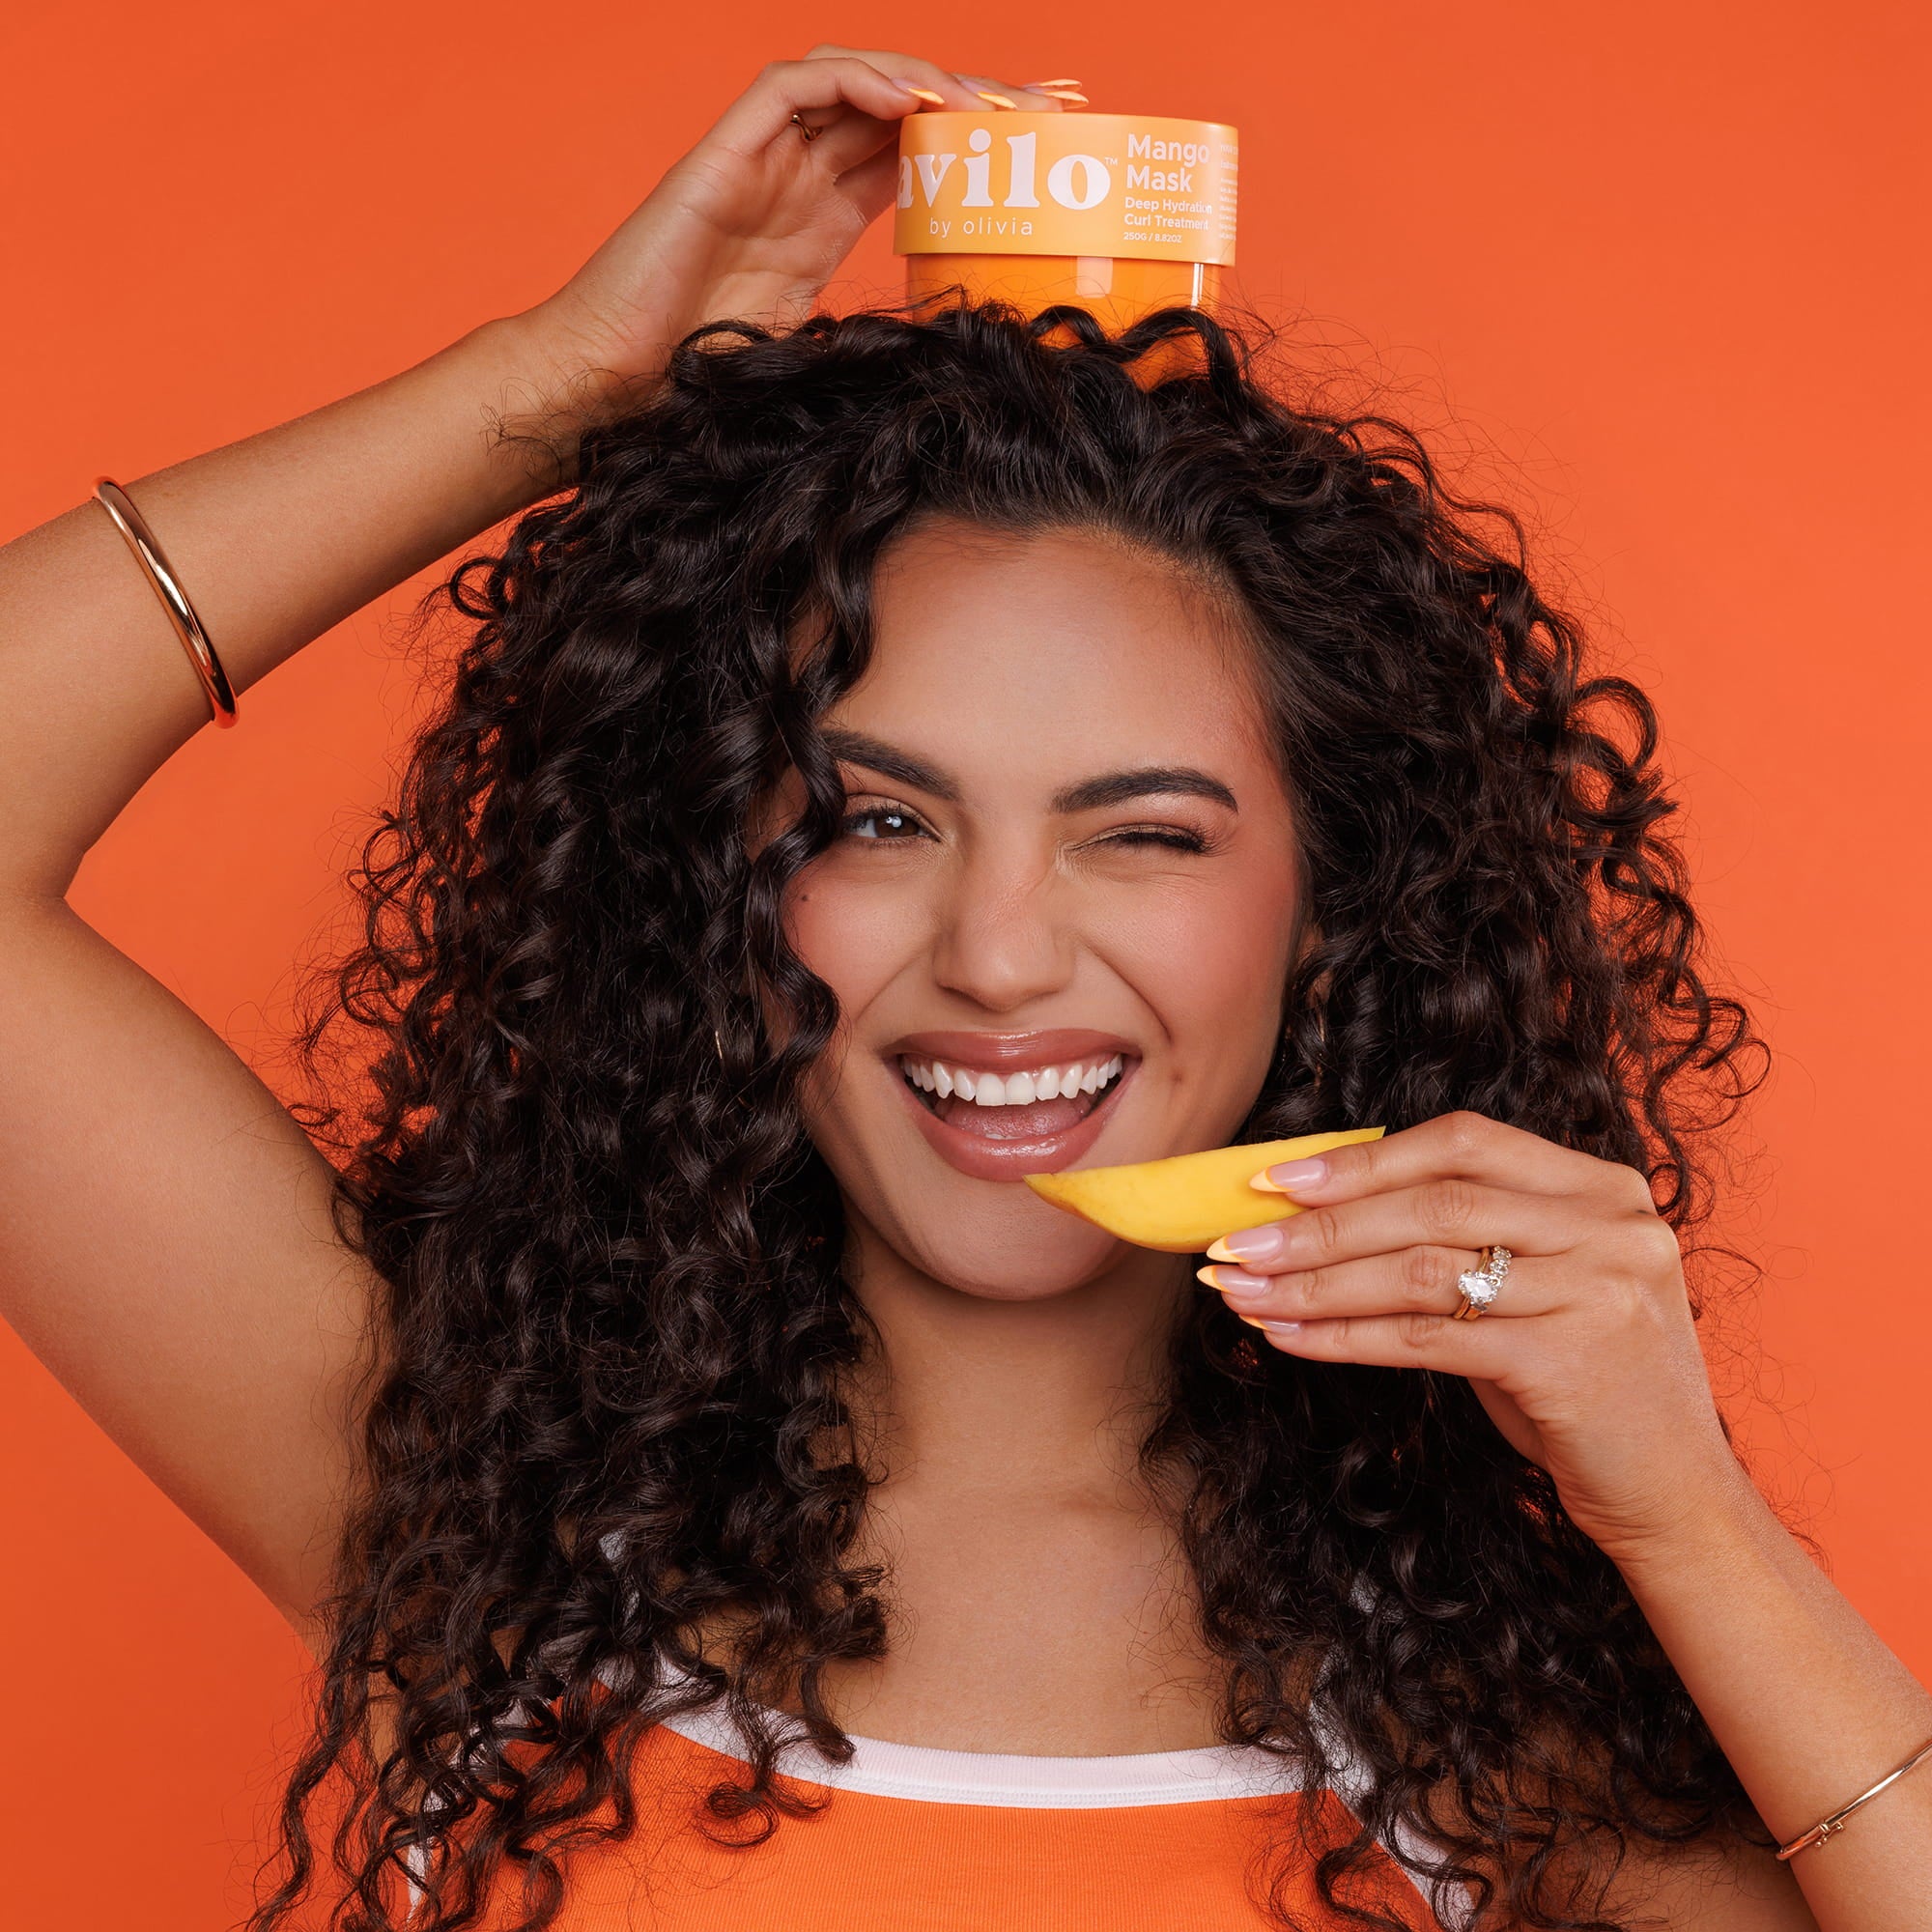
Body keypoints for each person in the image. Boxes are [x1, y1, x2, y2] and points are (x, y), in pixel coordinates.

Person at [0, 43, 1925, 1932]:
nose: (998, 954)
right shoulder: (486, 1509)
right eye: (874, 824)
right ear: (719, 896)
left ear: (1332, 908)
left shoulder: (1488, 1740)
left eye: (1146, 834)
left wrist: (1688, 1515)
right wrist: (551, 385)